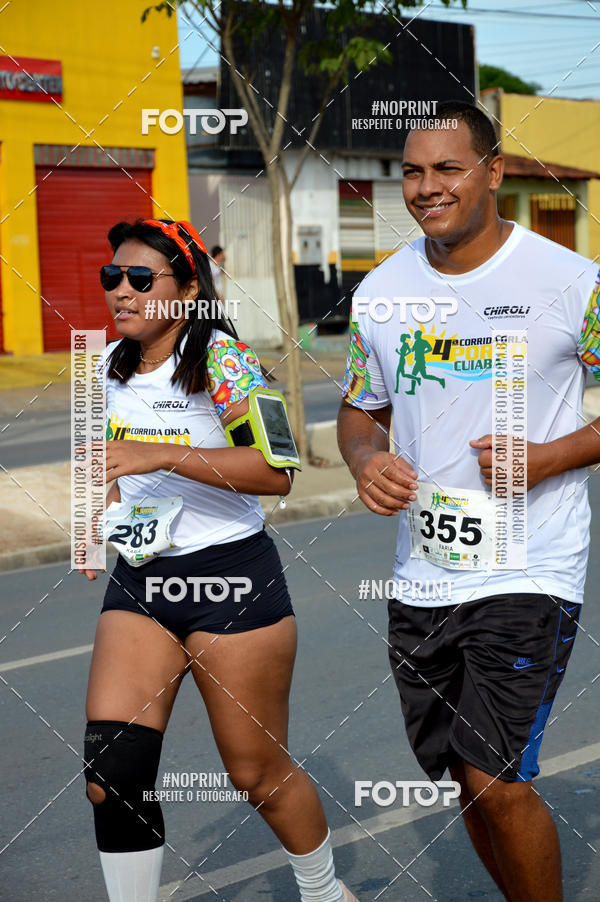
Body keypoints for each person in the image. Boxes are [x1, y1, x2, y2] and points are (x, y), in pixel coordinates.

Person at [337, 100, 600, 902]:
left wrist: (552, 454)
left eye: (447, 168)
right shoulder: (380, 291)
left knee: (496, 776)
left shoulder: (571, 281)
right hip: (424, 572)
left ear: (493, 171)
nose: (426, 187)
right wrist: (364, 461)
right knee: (464, 776)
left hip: (532, 563)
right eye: (412, 172)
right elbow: (359, 411)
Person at [79, 218, 358, 902]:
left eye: (141, 279)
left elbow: (276, 470)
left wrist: (160, 454)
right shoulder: (102, 367)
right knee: (111, 771)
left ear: (189, 289)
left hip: (232, 580)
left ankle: (325, 893)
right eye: (112, 277)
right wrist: (99, 516)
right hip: (143, 581)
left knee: (256, 773)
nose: (122, 290)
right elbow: (102, 465)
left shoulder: (225, 361)